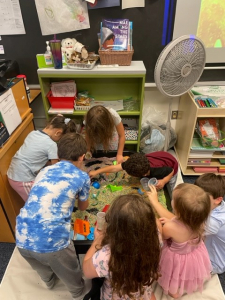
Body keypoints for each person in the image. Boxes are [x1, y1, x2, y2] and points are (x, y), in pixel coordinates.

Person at [16, 132, 90, 300]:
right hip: (53, 244)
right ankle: (77, 293)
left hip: (21, 237)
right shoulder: (82, 176)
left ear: (57, 155)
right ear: (82, 156)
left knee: (42, 269)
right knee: (70, 271)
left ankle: (48, 281)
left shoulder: (44, 171)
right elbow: (83, 207)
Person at [83, 194, 162, 300]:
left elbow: (87, 271)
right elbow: (156, 223)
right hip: (142, 289)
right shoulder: (156, 239)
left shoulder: (106, 257)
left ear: (115, 229)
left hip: (117, 295)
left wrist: (98, 240)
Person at [147, 183, 212, 298]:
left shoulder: (170, 227)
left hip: (175, 258)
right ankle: (178, 288)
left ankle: (172, 291)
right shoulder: (200, 221)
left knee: (172, 274)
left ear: (178, 211)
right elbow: (184, 225)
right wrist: (172, 220)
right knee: (183, 275)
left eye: (173, 200)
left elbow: (163, 238)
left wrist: (164, 224)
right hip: (192, 256)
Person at [7, 114, 76, 202]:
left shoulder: (33, 133)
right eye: (61, 139)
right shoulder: (51, 145)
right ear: (58, 133)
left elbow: (37, 156)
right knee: (35, 203)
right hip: (22, 178)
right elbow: (56, 169)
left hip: (16, 171)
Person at [89, 151, 178, 192]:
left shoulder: (157, 171)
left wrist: (164, 181)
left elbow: (171, 171)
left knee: (172, 189)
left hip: (171, 165)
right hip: (160, 157)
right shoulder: (134, 163)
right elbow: (115, 168)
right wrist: (97, 172)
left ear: (144, 174)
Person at [195, 173, 225, 278]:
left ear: (218, 200)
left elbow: (185, 231)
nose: (196, 200)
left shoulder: (213, 222)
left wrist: (156, 203)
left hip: (213, 263)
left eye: (203, 198)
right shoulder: (219, 205)